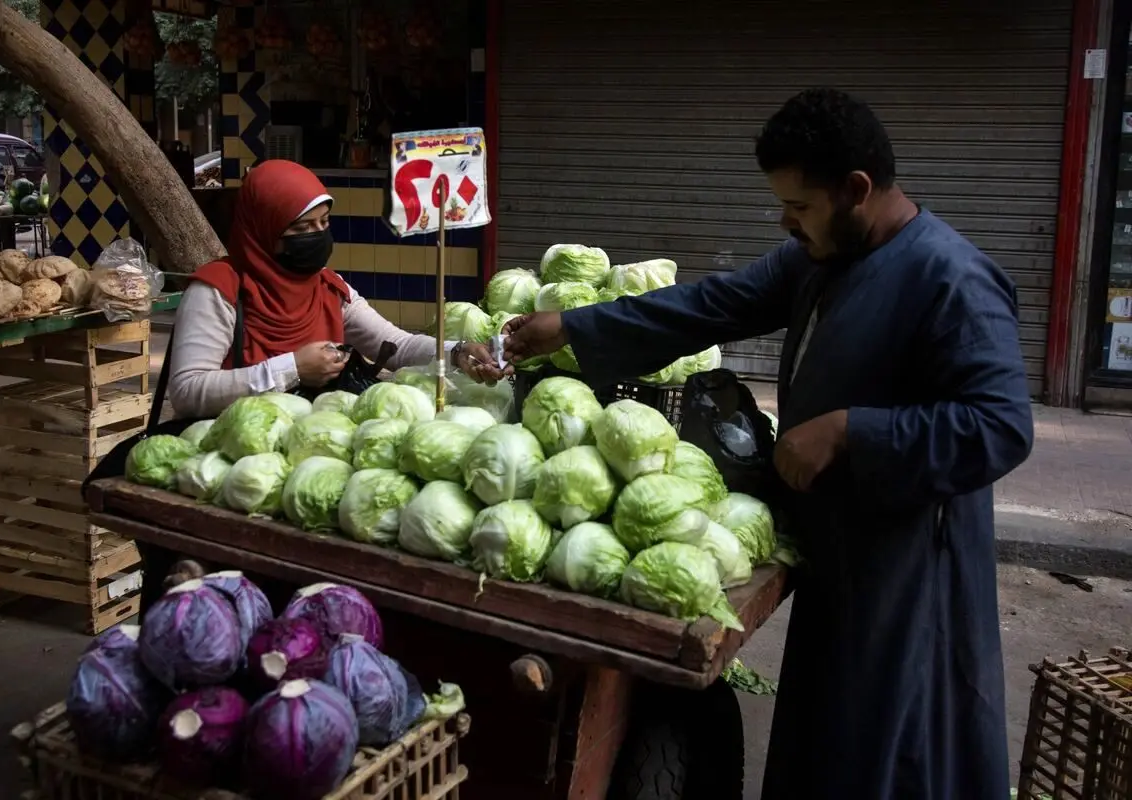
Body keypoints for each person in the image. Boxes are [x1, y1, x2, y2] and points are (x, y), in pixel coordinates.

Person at [504, 88, 1033, 800]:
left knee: (897, 746)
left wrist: (851, 430)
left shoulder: (953, 282)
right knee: (826, 730)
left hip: (909, 569)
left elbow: (1000, 426)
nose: (786, 222)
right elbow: (713, 304)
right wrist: (575, 327)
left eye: (800, 206)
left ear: (856, 190)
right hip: (837, 546)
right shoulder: (817, 259)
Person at [168, 159, 504, 420]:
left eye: (324, 223)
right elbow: (186, 390)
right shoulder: (218, 290)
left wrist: (456, 353)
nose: (318, 235)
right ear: (263, 231)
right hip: (229, 452)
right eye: (303, 227)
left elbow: (397, 345)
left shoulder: (329, 288)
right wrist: (292, 370)